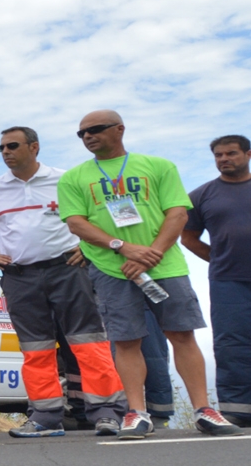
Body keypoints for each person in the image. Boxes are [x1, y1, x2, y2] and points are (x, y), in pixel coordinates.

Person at [58, 109, 236, 438]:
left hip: (165, 265)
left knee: (182, 334)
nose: (88, 136)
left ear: (119, 129)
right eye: (82, 133)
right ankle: (137, 413)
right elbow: (76, 223)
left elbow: (177, 214)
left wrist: (149, 254)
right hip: (112, 269)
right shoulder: (73, 177)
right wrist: (123, 247)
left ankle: (204, 411)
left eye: (96, 129)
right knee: (126, 341)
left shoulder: (159, 166)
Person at [0, 125, 127, 438]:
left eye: (12, 146)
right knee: (35, 349)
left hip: (67, 270)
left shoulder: (66, 179)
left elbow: (102, 215)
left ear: (34, 147)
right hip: (20, 277)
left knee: (89, 343)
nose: (6, 152)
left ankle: (107, 413)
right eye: (1, 148)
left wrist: (88, 248)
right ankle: (45, 418)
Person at [180, 135, 251, 427]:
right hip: (228, 281)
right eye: (218, 155)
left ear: (248, 154)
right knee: (232, 343)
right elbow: (188, 238)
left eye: (231, 153)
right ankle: (239, 409)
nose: (224, 159)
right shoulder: (202, 195)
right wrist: (219, 258)